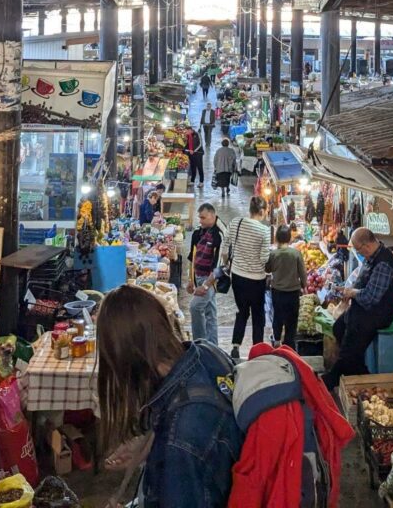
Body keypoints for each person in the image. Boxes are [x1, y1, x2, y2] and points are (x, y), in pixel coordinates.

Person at [97, 286, 242, 508]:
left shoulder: (179, 440)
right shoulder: (205, 352)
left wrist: (165, 445)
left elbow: (186, 446)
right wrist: (147, 445)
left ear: (125, 360)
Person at [322, 228, 393, 390]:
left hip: (378, 314)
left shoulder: (384, 264)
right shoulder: (371, 257)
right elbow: (361, 284)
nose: (358, 254)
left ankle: (333, 378)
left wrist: (352, 293)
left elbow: (370, 298)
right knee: (339, 327)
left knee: (351, 341)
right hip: (363, 308)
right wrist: (347, 291)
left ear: (366, 246)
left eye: (358, 250)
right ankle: (359, 372)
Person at [227, 195, 270, 361]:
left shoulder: (236, 222)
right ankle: (257, 349)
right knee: (258, 315)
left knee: (242, 311)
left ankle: (235, 346)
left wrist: (231, 261)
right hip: (256, 280)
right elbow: (264, 258)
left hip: (237, 276)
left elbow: (226, 246)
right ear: (261, 211)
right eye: (266, 211)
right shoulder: (264, 231)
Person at [187, 203, 227, 345]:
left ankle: (199, 344)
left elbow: (219, 267)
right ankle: (212, 346)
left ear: (212, 215)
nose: (201, 221)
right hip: (199, 277)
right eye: (200, 218)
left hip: (211, 280)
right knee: (211, 313)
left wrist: (205, 286)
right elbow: (192, 256)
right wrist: (190, 280)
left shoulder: (220, 234)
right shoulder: (199, 232)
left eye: (203, 218)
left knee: (195, 307)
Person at [266, 224, 307, 349]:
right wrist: (304, 286)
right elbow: (303, 273)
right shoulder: (296, 253)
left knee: (277, 316)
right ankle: (289, 344)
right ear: (289, 238)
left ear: (277, 238)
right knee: (292, 319)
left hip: (277, 291)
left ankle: (277, 341)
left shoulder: (273, 254)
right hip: (293, 292)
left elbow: (267, 269)